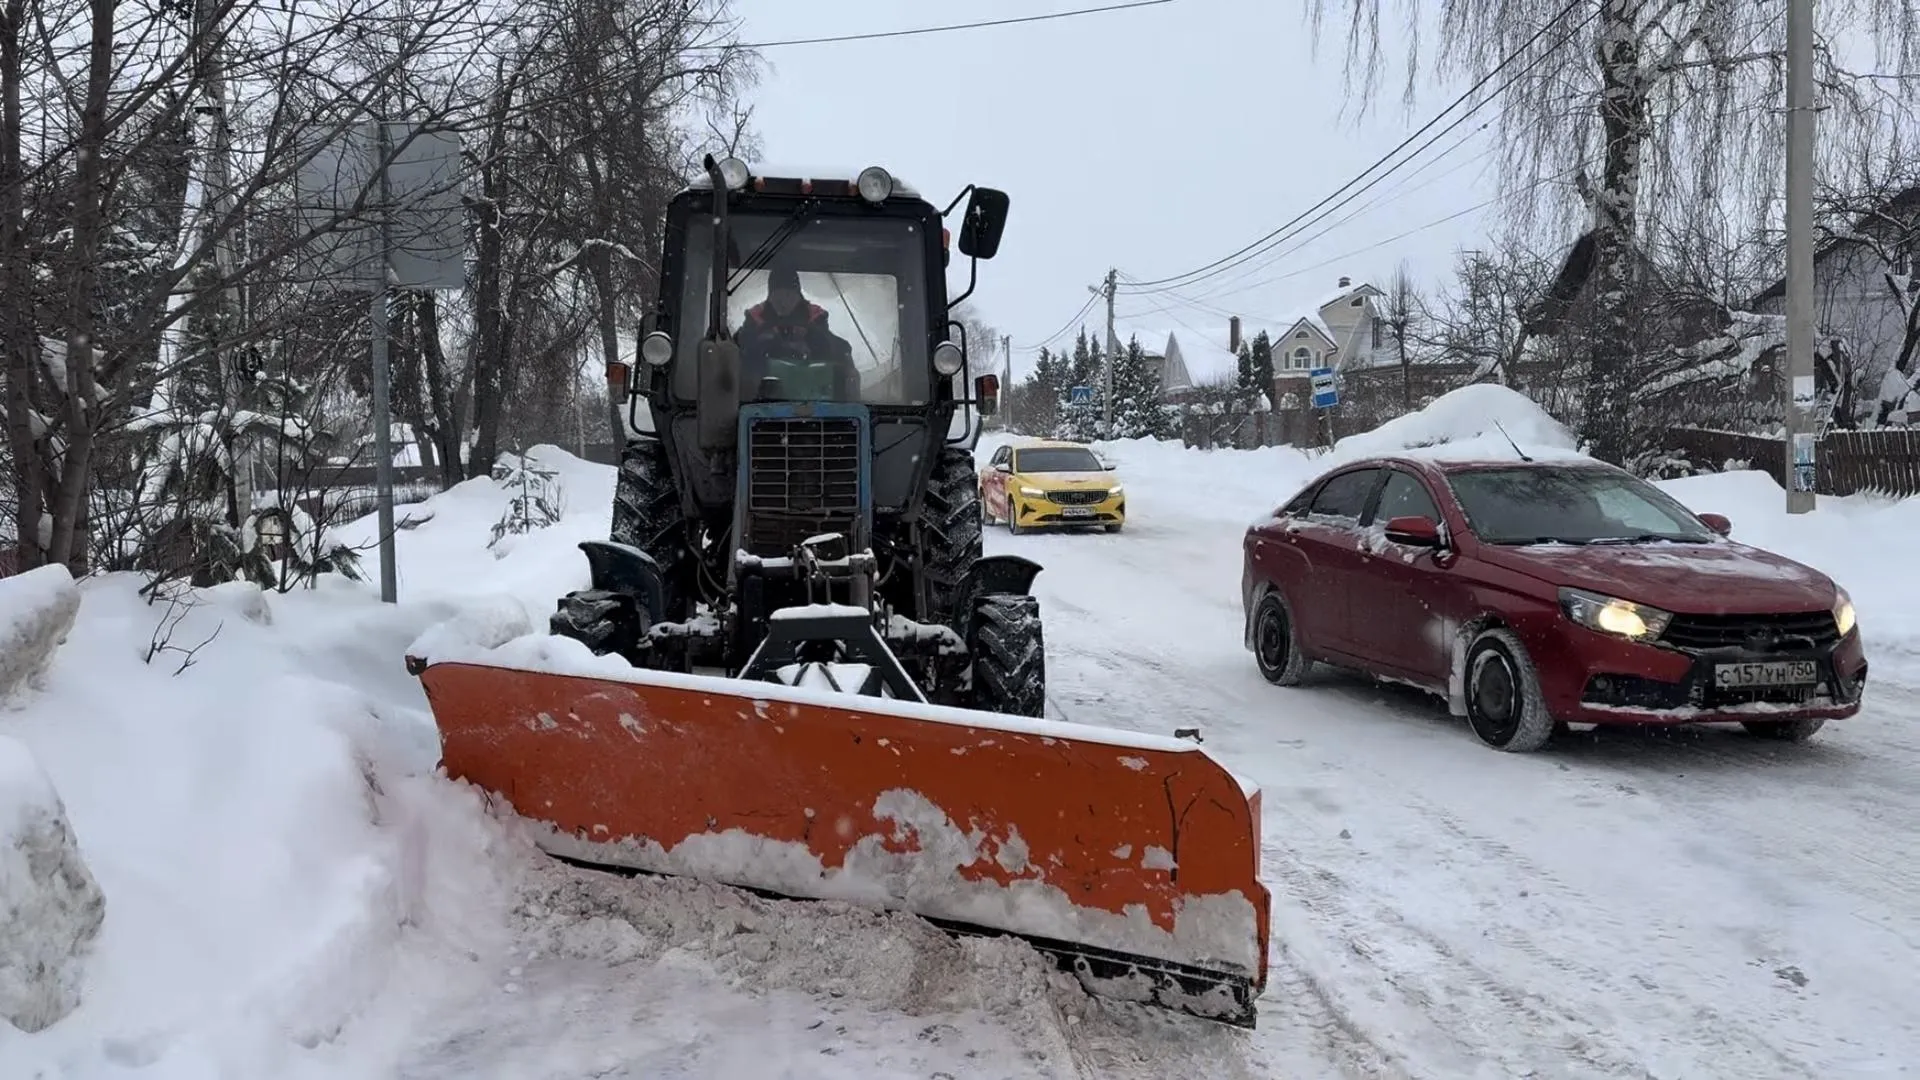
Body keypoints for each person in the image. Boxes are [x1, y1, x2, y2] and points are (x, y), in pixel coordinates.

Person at [735, 265, 856, 400]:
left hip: (812, 391)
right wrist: (769, 341)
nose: (784, 301)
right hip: (763, 391)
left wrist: (809, 339)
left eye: (789, 294)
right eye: (778, 295)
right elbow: (743, 347)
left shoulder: (815, 316)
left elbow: (830, 347)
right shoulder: (755, 317)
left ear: (798, 295)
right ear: (770, 295)